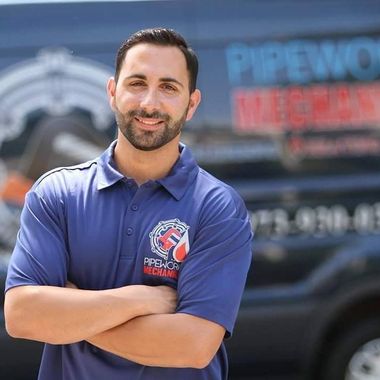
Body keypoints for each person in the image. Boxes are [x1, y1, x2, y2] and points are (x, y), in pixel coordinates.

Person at [4, 28, 253, 380]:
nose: (150, 102)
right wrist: (139, 300)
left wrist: (71, 317)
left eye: (168, 87)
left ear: (192, 103)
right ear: (112, 92)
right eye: (137, 83)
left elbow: (194, 346)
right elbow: (22, 316)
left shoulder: (217, 207)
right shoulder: (57, 193)